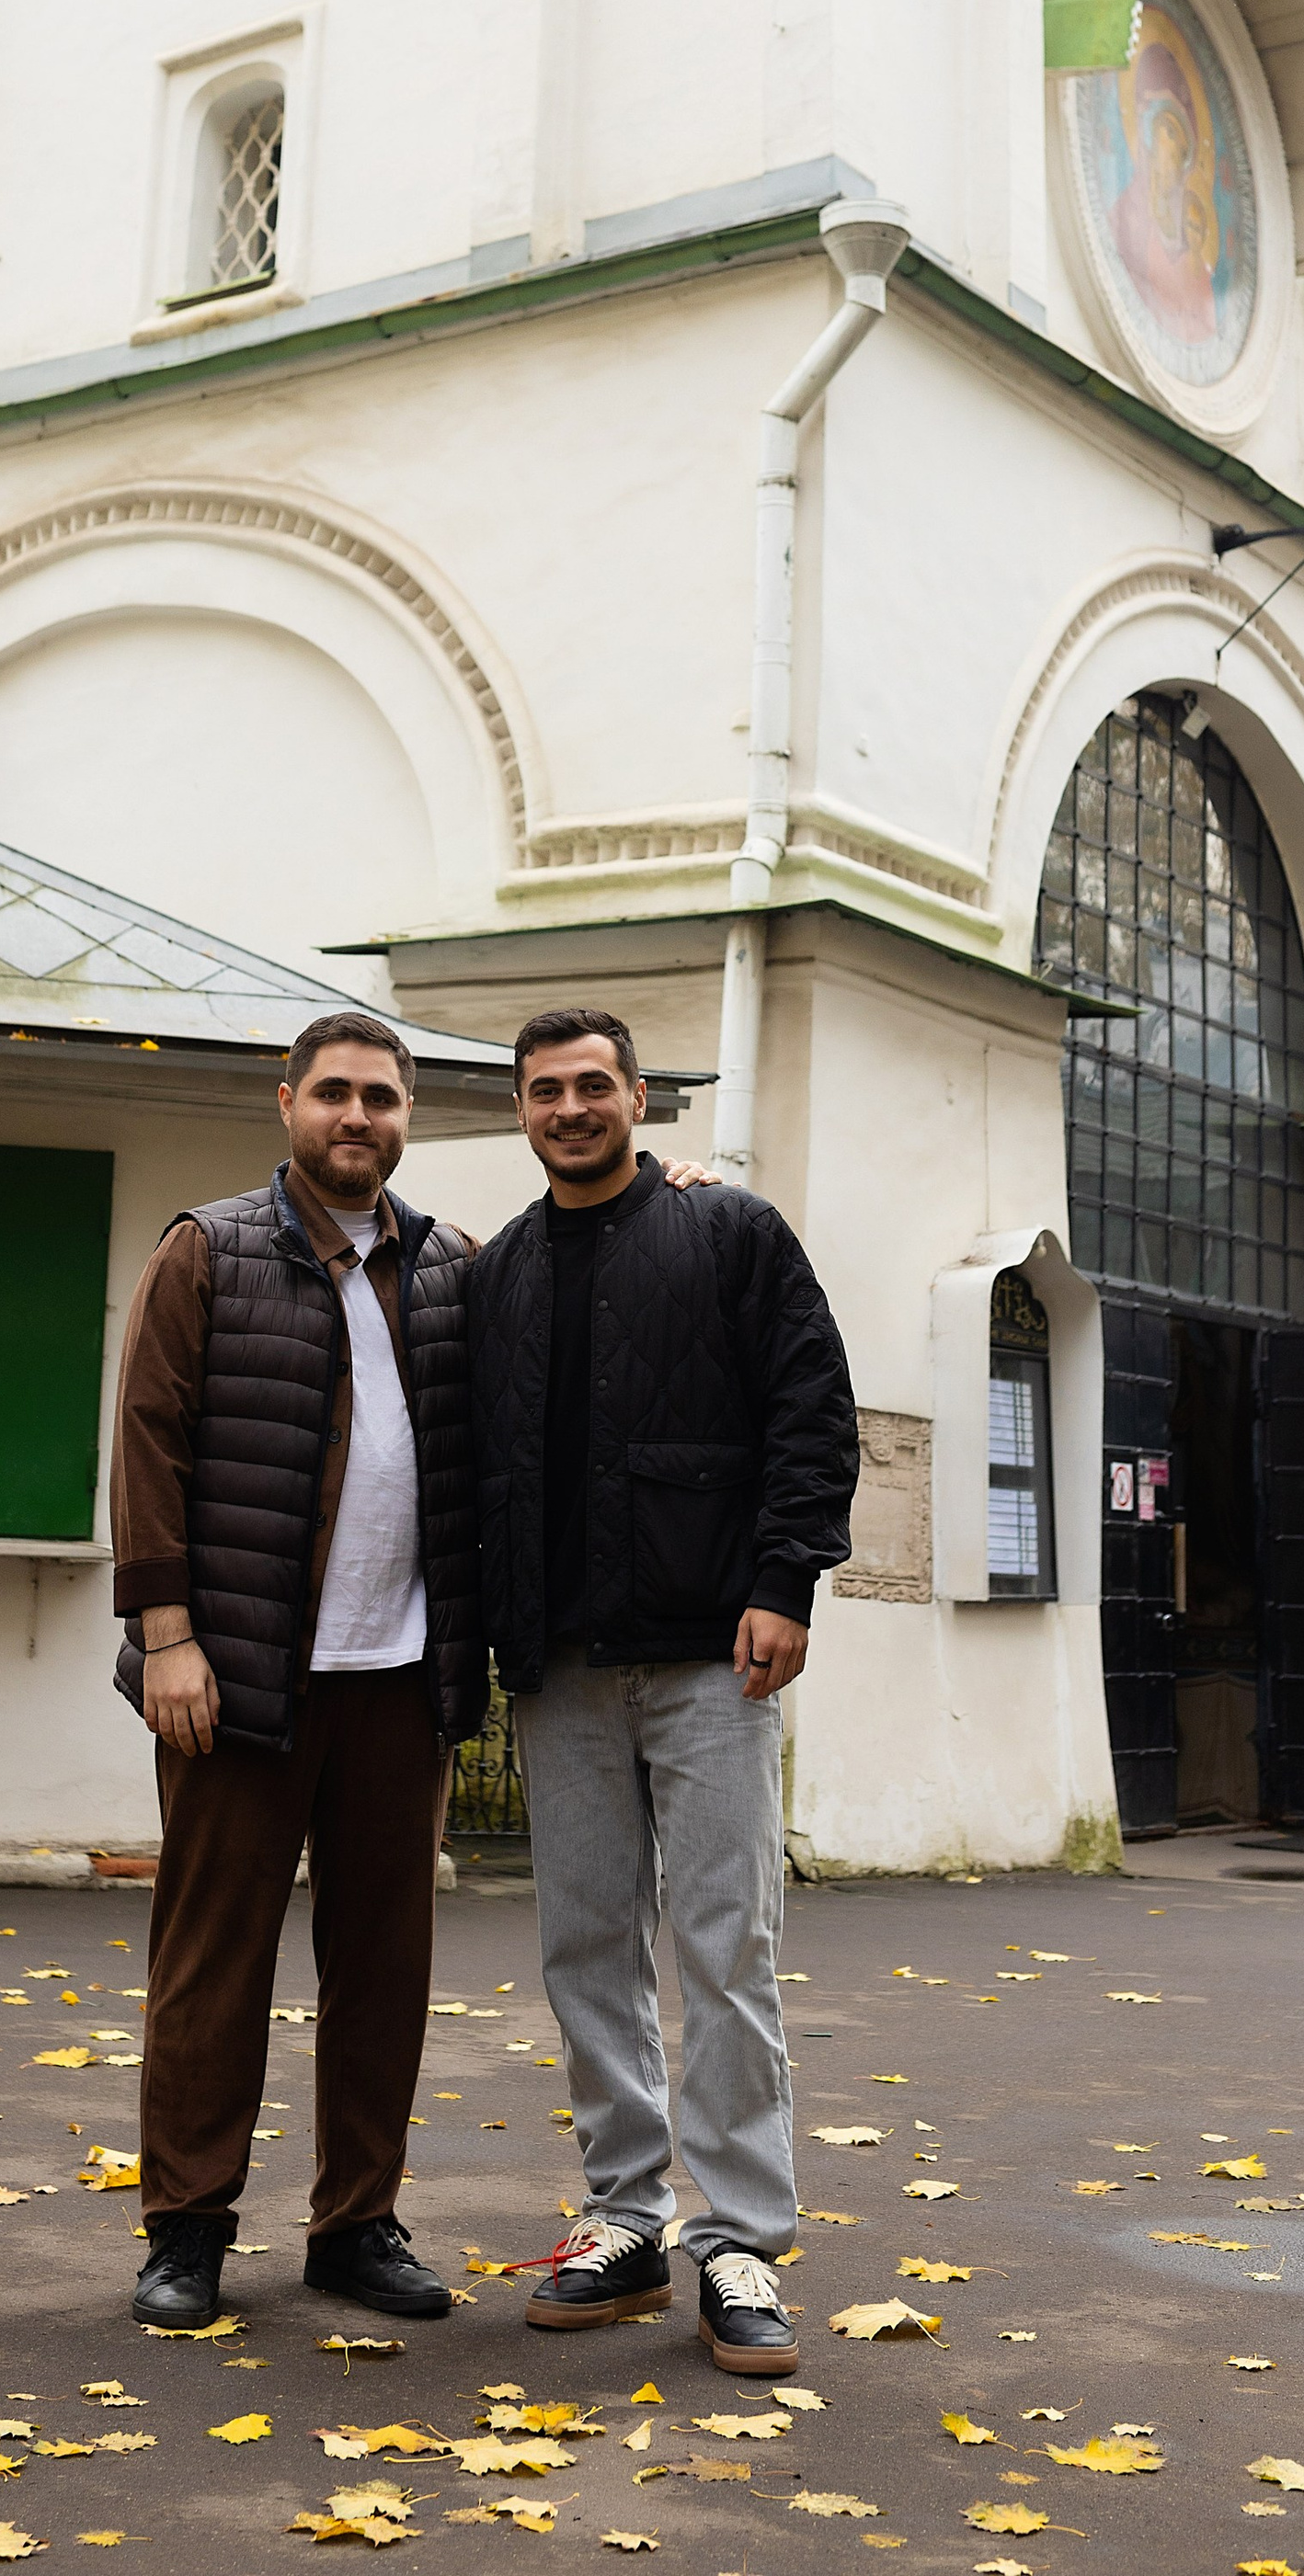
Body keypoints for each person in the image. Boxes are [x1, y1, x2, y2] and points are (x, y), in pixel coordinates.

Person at [470, 1007, 859, 2376]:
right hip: (562, 1671)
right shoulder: (499, 1272)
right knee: (585, 1949)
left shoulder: (730, 1233)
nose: (570, 1107)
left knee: (723, 1948)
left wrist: (787, 1581)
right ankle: (624, 2221)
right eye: (544, 1091)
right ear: (520, 1112)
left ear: (639, 1097)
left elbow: (811, 1410)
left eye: (593, 1085)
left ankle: (741, 2237)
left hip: (713, 1656)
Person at [109, 1009, 488, 2331]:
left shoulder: (451, 1267)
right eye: (333, 1094)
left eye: (381, 1099)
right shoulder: (208, 1251)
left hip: (401, 1683)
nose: (357, 1118)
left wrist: (678, 1195)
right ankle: (188, 2231)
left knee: (384, 1967)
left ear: (405, 1117)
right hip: (239, 1679)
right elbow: (147, 1448)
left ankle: (357, 2226)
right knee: (214, 1963)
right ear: (287, 1105)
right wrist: (167, 1637)